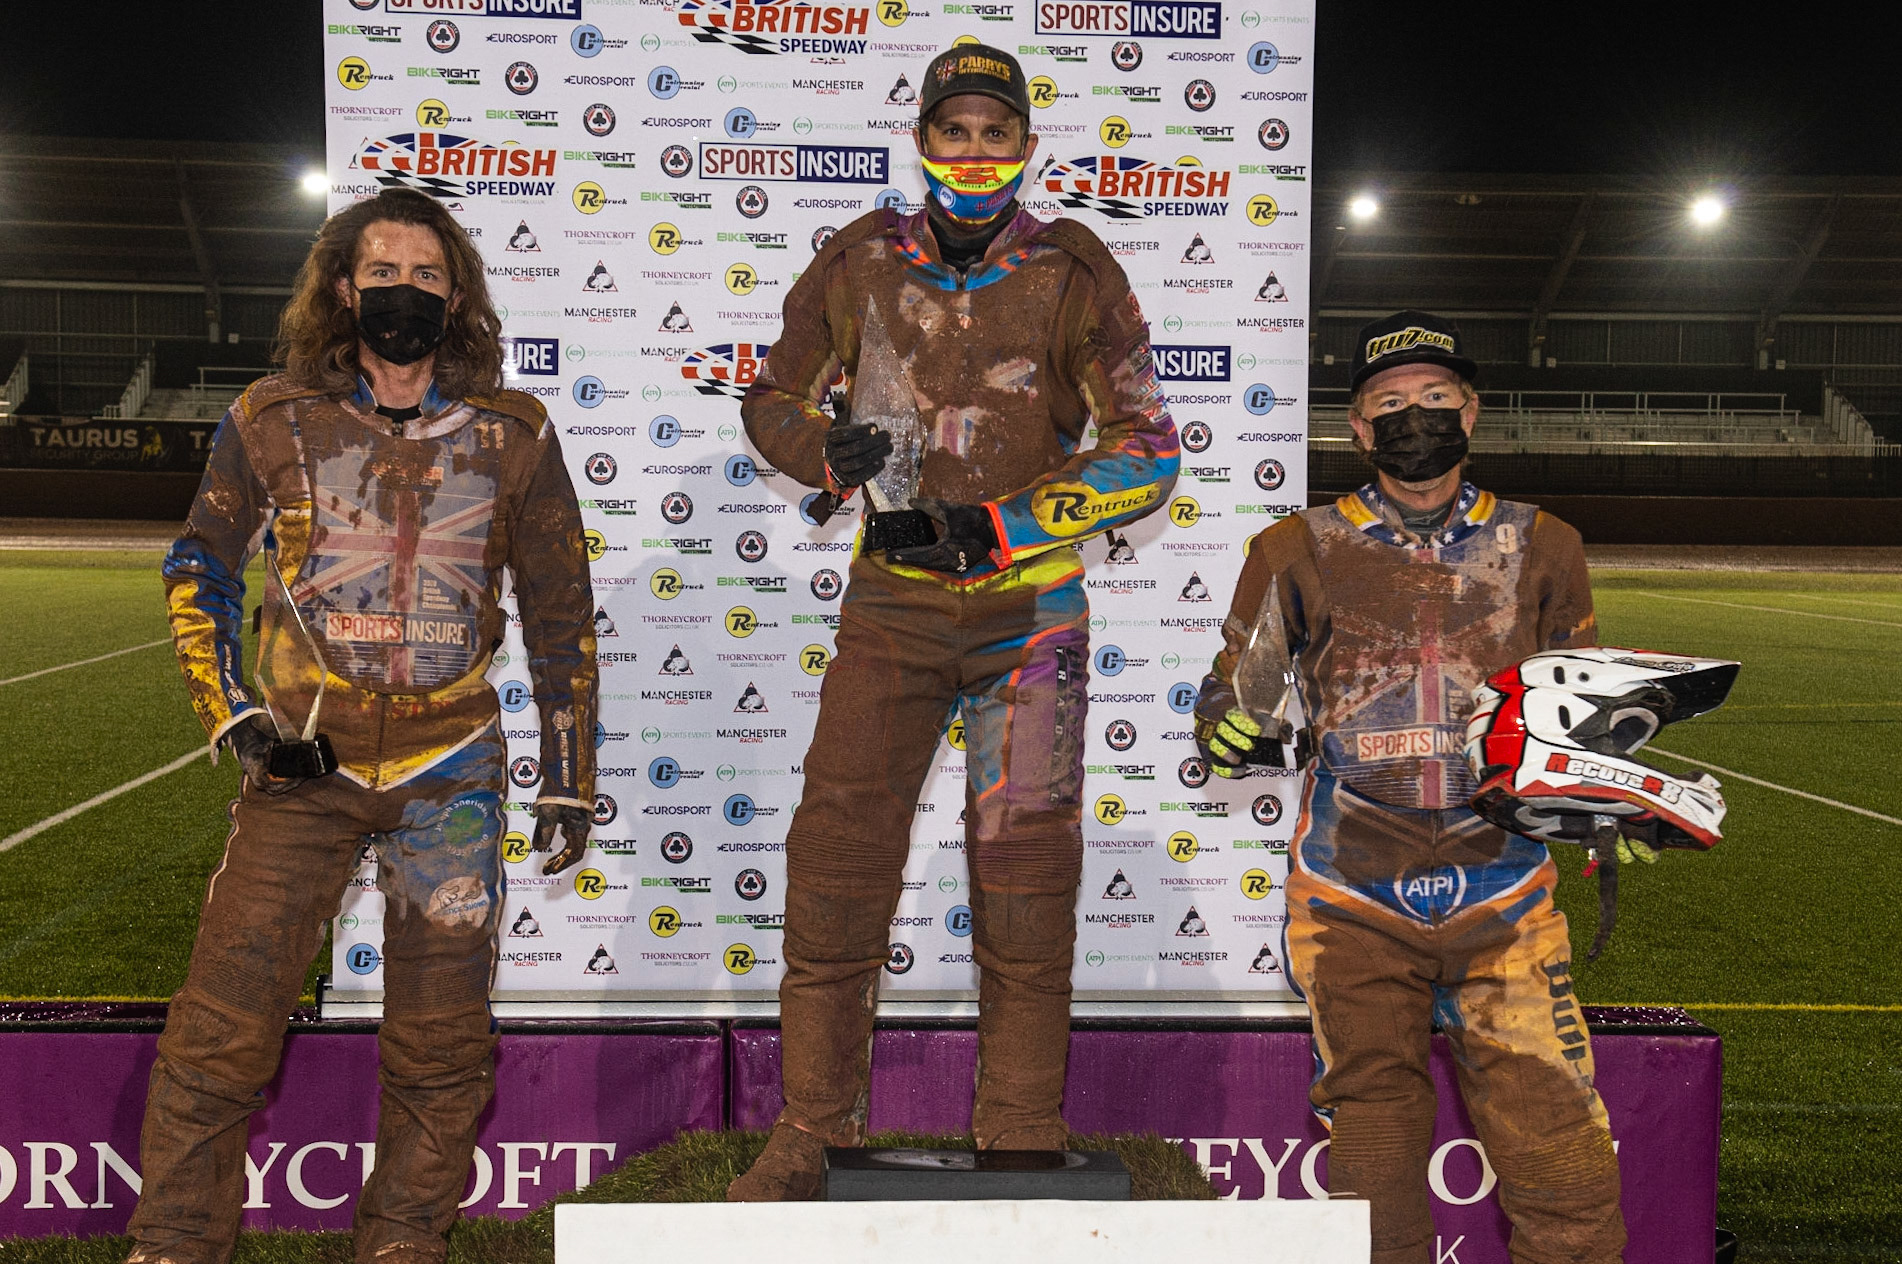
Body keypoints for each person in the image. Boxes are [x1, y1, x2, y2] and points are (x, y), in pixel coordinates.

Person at [729, 42, 1179, 1199]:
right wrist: (817, 451)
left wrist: (1008, 528)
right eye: (954, 127)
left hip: (1033, 613)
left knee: (1026, 881)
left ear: (1026, 143)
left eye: (994, 128)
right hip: (890, 605)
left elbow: (1149, 449)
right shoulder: (859, 258)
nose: (974, 148)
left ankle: (1021, 1130)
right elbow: (771, 395)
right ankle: (812, 1131)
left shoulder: (1078, 266)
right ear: (922, 137)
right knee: (834, 864)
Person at [128, 187, 598, 1264]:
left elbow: (563, 616)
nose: (403, 293)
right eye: (382, 272)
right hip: (301, 771)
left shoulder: (515, 433)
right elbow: (197, 565)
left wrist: (568, 776)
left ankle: (402, 1246)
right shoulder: (270, 418)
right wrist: (233, 716)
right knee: (220, 1030)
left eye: (427, 276)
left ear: (459, 294)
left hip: (453, 775)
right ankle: (174, 1243)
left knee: (442, 1047)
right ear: (343, 288)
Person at [1194, 311, 1623, 1263]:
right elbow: (1237, 695)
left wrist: (1604, 789)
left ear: (1472, 410)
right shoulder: (1292, 546)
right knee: (1374, 1136)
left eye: (1435, 398)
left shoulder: (1546, 543)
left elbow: (1579, 705)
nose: (1414, 416)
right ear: (1356, 427)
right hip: (1351, 892)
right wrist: (1227, 725)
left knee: (1559, 1144)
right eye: (1390, 403)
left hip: (1504, 885)